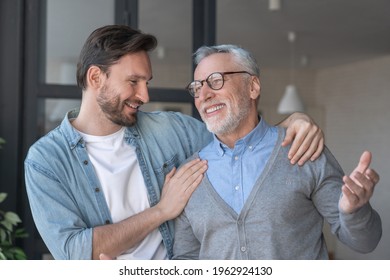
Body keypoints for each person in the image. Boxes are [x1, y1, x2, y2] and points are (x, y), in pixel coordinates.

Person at [24, 25, 324, 260]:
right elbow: (74, 251)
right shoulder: (46, 161)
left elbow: (240, 141)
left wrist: (292, 121)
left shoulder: (173, 129)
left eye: (147, 82)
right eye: (133, 82)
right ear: (95, 77)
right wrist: (161, 210)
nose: (144, 95)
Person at [172, 44, 382, 259]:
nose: (204, 95)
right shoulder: (189, 174)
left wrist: (354, 212)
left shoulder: (304, 150)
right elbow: (186, 259)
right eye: (197, 87)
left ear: (252, 87)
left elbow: (365, 242)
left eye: (216, 81)